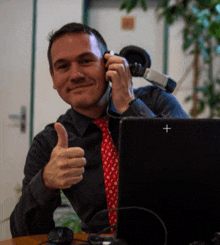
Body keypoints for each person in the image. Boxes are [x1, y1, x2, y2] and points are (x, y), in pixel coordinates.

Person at [10, 22, 188, 237]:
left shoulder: (158, 102)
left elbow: (187, 169)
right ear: (53, 77)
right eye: (63, 66)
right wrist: (46, 181)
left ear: (108, 64)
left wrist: (128, 106)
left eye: (86, 61)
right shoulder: (50, 142)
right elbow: (23, 232)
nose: (75, 75)